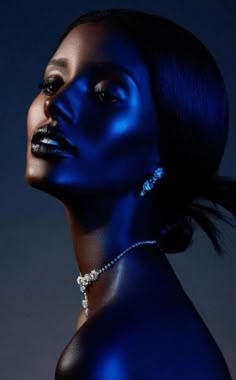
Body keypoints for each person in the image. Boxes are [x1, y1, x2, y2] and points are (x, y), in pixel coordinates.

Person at [25, 8, 235, 379]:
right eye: (52, 83)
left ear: (163, 147)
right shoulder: (128, 310)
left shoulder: (108, 350)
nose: (54, 105)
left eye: (104, 95)